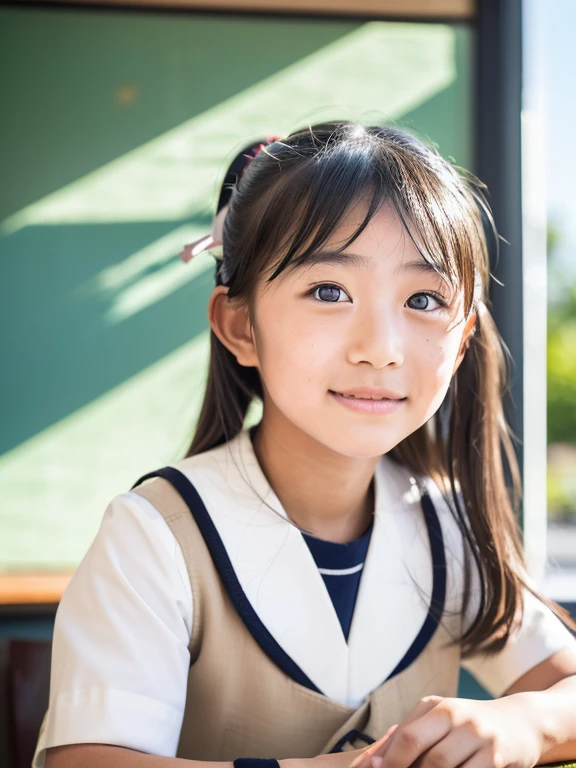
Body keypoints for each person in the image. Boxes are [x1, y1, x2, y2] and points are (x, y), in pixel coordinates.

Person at [36, 122, 576, 768]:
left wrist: (524, 722)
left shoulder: (447, 528)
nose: (380, 347)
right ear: (239, 325)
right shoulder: (155, 536)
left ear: (461, 344)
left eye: (425, 299)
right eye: (329, 291)